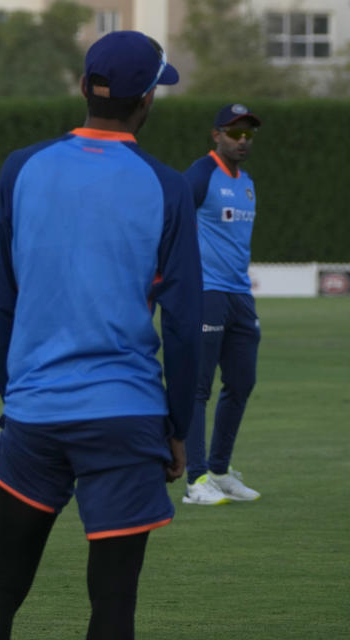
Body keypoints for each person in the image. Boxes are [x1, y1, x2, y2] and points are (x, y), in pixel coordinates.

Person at [0, 31, 202, 640]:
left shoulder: (21, 168)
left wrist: (14, 396)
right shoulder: (169, 186)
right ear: (148, 98)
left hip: (34, 413)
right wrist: (177, 430)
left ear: (82, 88)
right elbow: (180, 324)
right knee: (114, 608)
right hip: (126, 415)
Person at [181, 104, 263, 506]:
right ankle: (195, 480)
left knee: (242, 382)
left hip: (239, 295)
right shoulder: (200, 174)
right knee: (198, 386)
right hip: (205, 292)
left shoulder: (247, 182)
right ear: (216, 135)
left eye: (248, 133)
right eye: (234, 133)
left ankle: (219, 469)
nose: (242, 140)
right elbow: (171, 219)